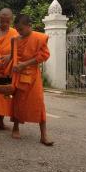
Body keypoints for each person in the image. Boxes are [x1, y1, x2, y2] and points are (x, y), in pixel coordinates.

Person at [11, 14, 53, 146]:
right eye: (17, 29)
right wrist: (9, 63)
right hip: (19, 74)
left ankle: (43, 135)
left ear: (29, 26)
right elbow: (13, 56)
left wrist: (24, 64)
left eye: (21, 29)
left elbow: (44, 56)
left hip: (33, 76)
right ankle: (16, 127)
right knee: (17, 101)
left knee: (39, 103)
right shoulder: (15, 40)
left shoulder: (39, 38)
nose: (19, 32)